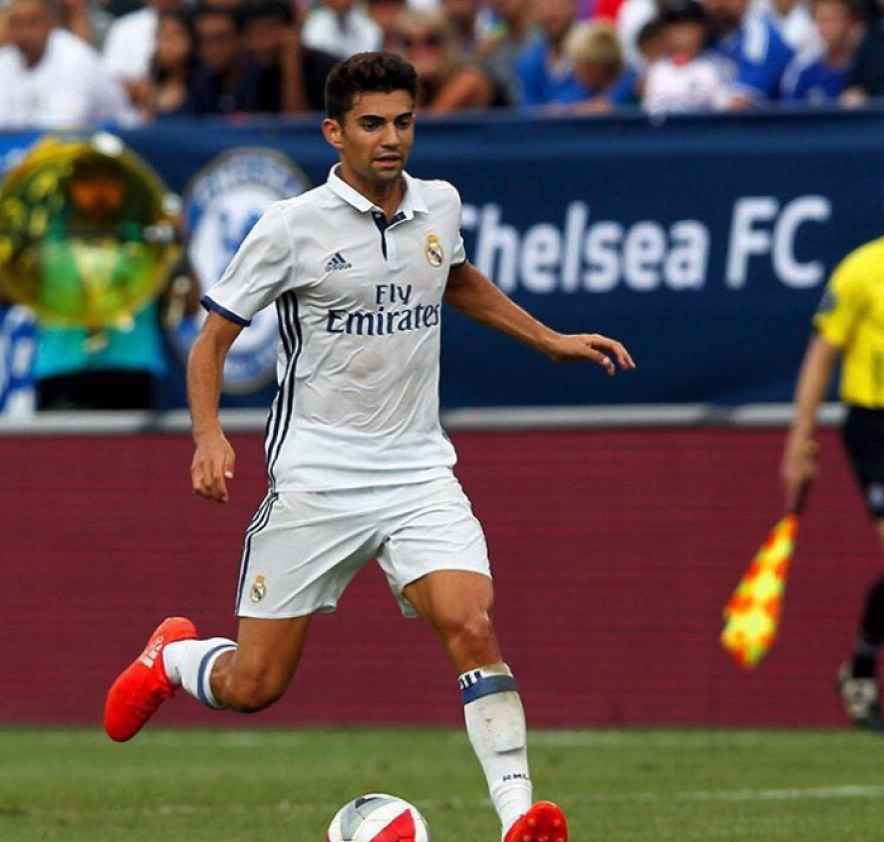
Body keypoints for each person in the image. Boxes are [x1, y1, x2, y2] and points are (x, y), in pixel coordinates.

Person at [104, 51, 635, 842]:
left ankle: (521, 819)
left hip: (419, 469)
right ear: (335, 132)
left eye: (404, 122)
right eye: (372, 124)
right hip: (317, 474)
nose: (391, 139)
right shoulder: (290, 228)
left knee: (473, 626)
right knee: (255, 686)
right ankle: (174, 660)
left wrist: (548, 340)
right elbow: (211, 341)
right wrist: (208, 435)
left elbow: (455, 279)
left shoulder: (440, 204)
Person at [0, 150, 199, 410]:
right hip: (60, 376)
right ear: (71, 188)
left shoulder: (148, 245)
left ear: (124, 187)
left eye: (108, 182)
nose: (98, 192)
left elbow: (189, 306)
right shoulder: (40, 249)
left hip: (132, 376)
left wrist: (180, 243)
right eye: (88, 181)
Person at [781, 236, 884, 732]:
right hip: (875, 425)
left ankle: (862, 666)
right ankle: (861, 672)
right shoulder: (862, 269)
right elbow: (822, 356)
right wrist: (801, 440)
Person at [0, 0, 132, 129]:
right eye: (16, 23)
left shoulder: (75, 58)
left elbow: (62, 132)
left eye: (33, 22)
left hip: (117, 149)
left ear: (52, 23)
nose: (24, 32)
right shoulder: (1, 62)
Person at [394, 7, 507, 112]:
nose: (419, 51)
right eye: (408, 43)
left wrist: (413, 81)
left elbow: (425, 127)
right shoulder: (421, 84)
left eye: (431, 41)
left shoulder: (469, 78)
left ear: (448, 43)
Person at [642, 0, 733, 113]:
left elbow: (728, 111)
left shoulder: (717, 68)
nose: (681, 35)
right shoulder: (654, 70)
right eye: (675, 27)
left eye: (688, 27)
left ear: (703, 29)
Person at [780, 0, 865, 104]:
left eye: (834, 20)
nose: (828, 28)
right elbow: (789, 114)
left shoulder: (865, 70)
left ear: (851, 22)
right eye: (822, 20)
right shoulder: (803, 71)